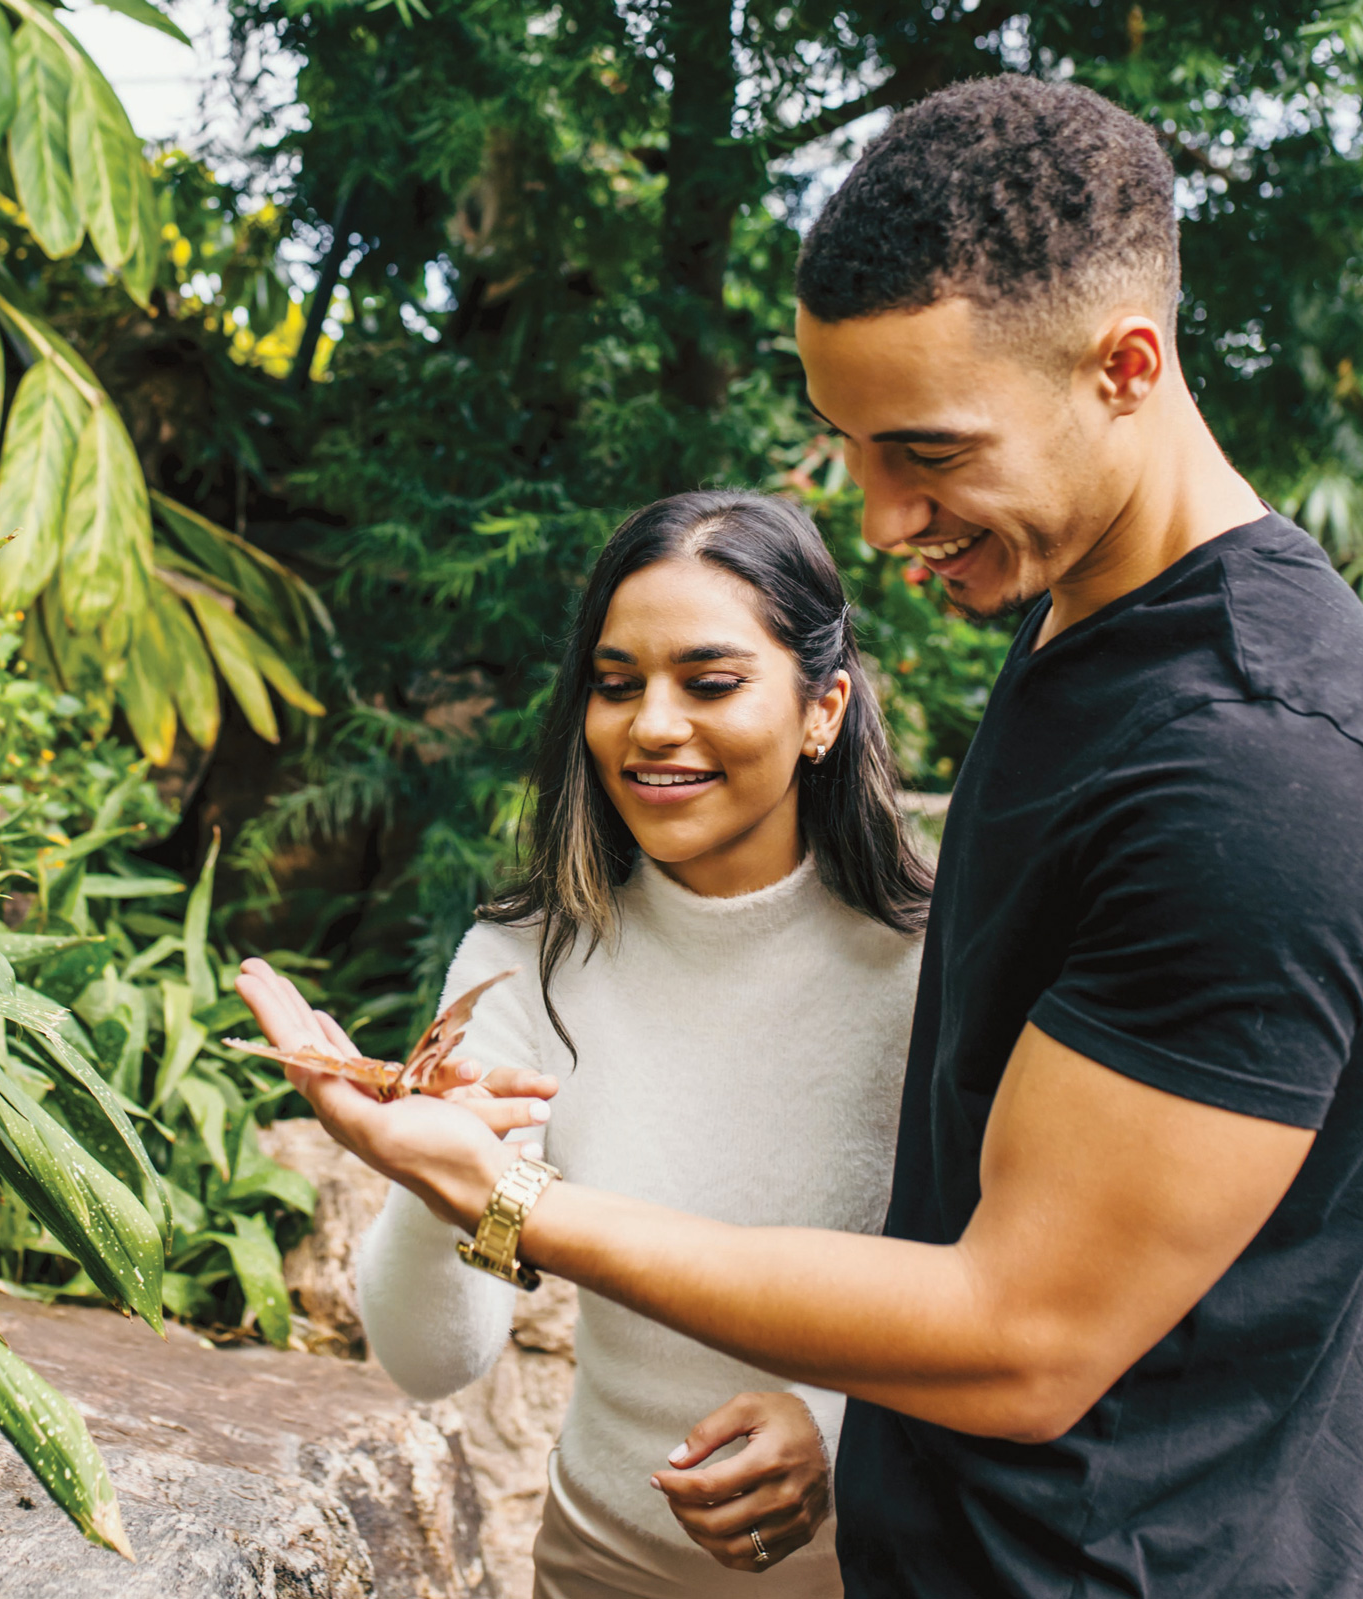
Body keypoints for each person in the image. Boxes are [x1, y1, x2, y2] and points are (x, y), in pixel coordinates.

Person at [239, 75, 1363, 1599]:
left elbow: (1022, 1334)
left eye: (929, 450)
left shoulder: (1259, 765)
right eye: (846, 442)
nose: (880, 516)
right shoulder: (1076, 618)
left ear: (1126, 368)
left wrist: (512, 1203)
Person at [268, 489, 929, 1596]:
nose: (652, 726)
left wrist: (834, 1424)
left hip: (881, 1566)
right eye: (616, 687)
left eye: (709, 683)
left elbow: (1023, 1304)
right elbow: (433, 1363)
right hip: (602, 1566)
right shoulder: (525, 954)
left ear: (824, 710)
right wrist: (441, 1187)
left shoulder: (937, 956)